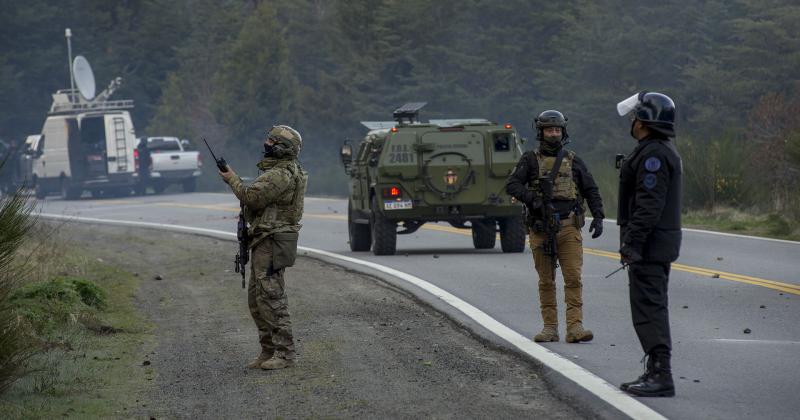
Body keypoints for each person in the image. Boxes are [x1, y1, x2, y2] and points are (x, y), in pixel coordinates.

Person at [506, 110, 605, 344]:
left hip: (569, 227)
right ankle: (550, 328)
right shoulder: (529, 160)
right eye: (549, 130)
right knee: (546, 281)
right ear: (541, 132)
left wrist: (599, 216)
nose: (553, 134)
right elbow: (512, 185)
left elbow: (591, 189)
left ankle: (575, 327)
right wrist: (533, 199)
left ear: (563, 132)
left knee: (573, 278)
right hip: (540, 228)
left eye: (557, 130)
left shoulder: (573, 160)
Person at [218, 125, 307, 370]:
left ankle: (285, 353)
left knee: (271, 296)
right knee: (257, 299)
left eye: (271, 140)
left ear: (281, 147)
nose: (266, 144)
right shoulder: (278, 171)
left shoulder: (281, 173)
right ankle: (268, 350)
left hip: (273, 240)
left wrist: (232, 180)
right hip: (264, 238)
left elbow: (253, 197)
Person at [615, 91, 682, 397]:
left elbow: (648, 206)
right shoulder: (656, 149)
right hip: (655, 244)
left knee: (649, 308)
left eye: (635, 117)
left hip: (649, 246)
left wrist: (632, 243)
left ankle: (661, 375)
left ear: (644, 122)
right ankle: (655, 370)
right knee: (652, 305)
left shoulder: (653, 154)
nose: (632, 122)